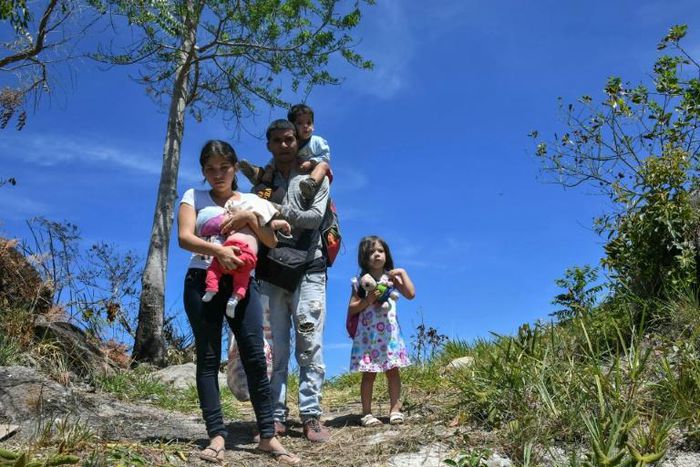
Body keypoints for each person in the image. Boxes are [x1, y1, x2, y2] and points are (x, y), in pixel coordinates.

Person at [178, 140, 299, 465]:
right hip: (202, 280)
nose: (218, 174)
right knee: (207, 358)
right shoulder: (193, 197)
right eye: (210, 169)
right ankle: (217, 436)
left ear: (234, 168)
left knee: (256, 358)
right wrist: (218, 251)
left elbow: (271, 240)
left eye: (224, 167)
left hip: (245, 284)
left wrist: (248, 216)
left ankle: (268, 438)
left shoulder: (249, 199)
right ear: (203, 171)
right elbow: (184, 237)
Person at [255, 119, 331, 442]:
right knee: (277, 346)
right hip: (273, 269)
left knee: (309, 342)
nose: (285, 145)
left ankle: (311, 415)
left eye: (289, 139)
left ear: (296, 140)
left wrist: (277, 212)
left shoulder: (315, 174)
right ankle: (274, 415)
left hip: (310, 267)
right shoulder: (263, 181)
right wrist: (269, 211)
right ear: (269, 145)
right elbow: (252, 213)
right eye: (277, 141)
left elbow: (315, 217)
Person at [346, 235, 415, 427]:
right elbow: (352, 308)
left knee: (393, 371)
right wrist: (368, 300)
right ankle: (367, 413)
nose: (376, 254)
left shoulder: (391, 278)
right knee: (369, 374)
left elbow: (410, 294)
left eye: (380, 251)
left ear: (386, 254)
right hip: (368, 337)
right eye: (371, 252)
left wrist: (402, 272)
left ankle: (395, 409)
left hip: (390, 336)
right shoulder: (359, 282)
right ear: (363, 257)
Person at [197, 196, 290, 318]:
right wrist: (282, 223)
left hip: (230, 250)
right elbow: (272, 225)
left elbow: (270, 227)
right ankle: (235, 299)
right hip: (246, 256)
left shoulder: (239, 223)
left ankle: (211, 288)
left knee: (213, 269)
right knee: (242, 282)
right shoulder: (253, 225)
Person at [239, 103, 332, 200]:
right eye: (300, 123)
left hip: (315, 172)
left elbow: (316, 213)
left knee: (323, 165)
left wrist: (310, 163)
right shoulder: (273, 180)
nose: (305, 126)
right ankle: (256, 174)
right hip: (274, 189)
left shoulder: (316, 141)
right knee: (265, 183)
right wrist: (269, 172)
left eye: (309, 123)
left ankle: (311, 184)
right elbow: (261, 206)